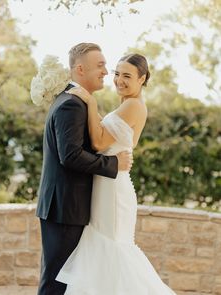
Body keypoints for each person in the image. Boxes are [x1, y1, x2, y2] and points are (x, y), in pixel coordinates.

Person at [56, 53, 177, 294]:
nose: (119, 80)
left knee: (111, 249)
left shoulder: (133, 105)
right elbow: (109, 135)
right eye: (117, 73)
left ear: (142, 79)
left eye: (127, 76)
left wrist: (90, 103)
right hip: (108, 183)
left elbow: (100, 143)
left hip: (113, 190)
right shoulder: (128, 104)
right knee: (105, 252)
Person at [34, 43, 133, 295]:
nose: (105, 71)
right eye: (100, 65)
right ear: (80, 69)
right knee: (57, 282)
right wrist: (114, 164)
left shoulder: (74, 101)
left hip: (65, 206)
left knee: (64, 279)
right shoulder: (72, 105)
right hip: (66, 208)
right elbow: (71, 156)